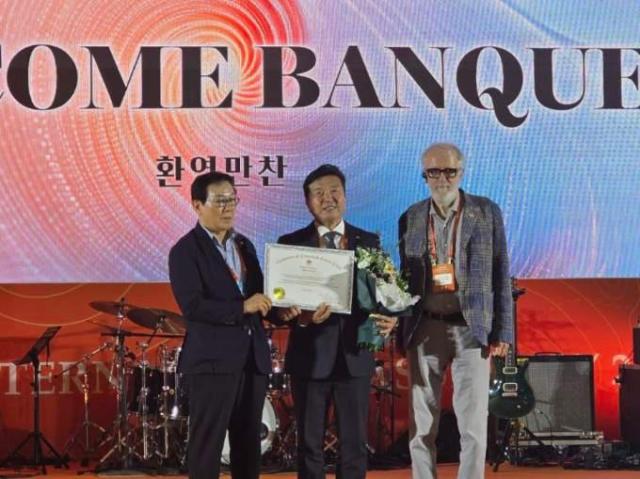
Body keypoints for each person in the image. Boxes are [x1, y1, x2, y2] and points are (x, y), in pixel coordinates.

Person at [398, 143, 513, 479]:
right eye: (434, 172)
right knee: (421, 424)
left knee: (473, 423)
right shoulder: (411, 217)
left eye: (450, 171)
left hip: (472, 328)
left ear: (461, 173)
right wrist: (399, 330)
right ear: (424, 176)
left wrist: (503, 331)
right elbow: (403, 280)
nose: (442, 179)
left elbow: (501, 272)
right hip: (424, 328)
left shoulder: (486, 212)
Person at [276, 164, 396, 479]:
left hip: (354, 356)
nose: (327, 198)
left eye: (334, 192)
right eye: (318, 193)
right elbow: (277, 306)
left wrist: (391, 318)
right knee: (309, 446)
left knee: (355, 446)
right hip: (309, 358)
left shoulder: (368, 241)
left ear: (345, 196)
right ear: (307, 202)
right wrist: (298, 316)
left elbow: (387, 294)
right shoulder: (290, 243)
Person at [168, 172, 273, 479]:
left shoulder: (244, 245)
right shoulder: (185, 250)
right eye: (220, 201)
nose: (228, 207)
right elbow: (193, 306)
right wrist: (242, 307)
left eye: (232, 199)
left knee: (248, 444)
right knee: (207, 445)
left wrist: (284, 310)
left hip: (252, 359)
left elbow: (259, 297)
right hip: (212, 362)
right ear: (197, 205)